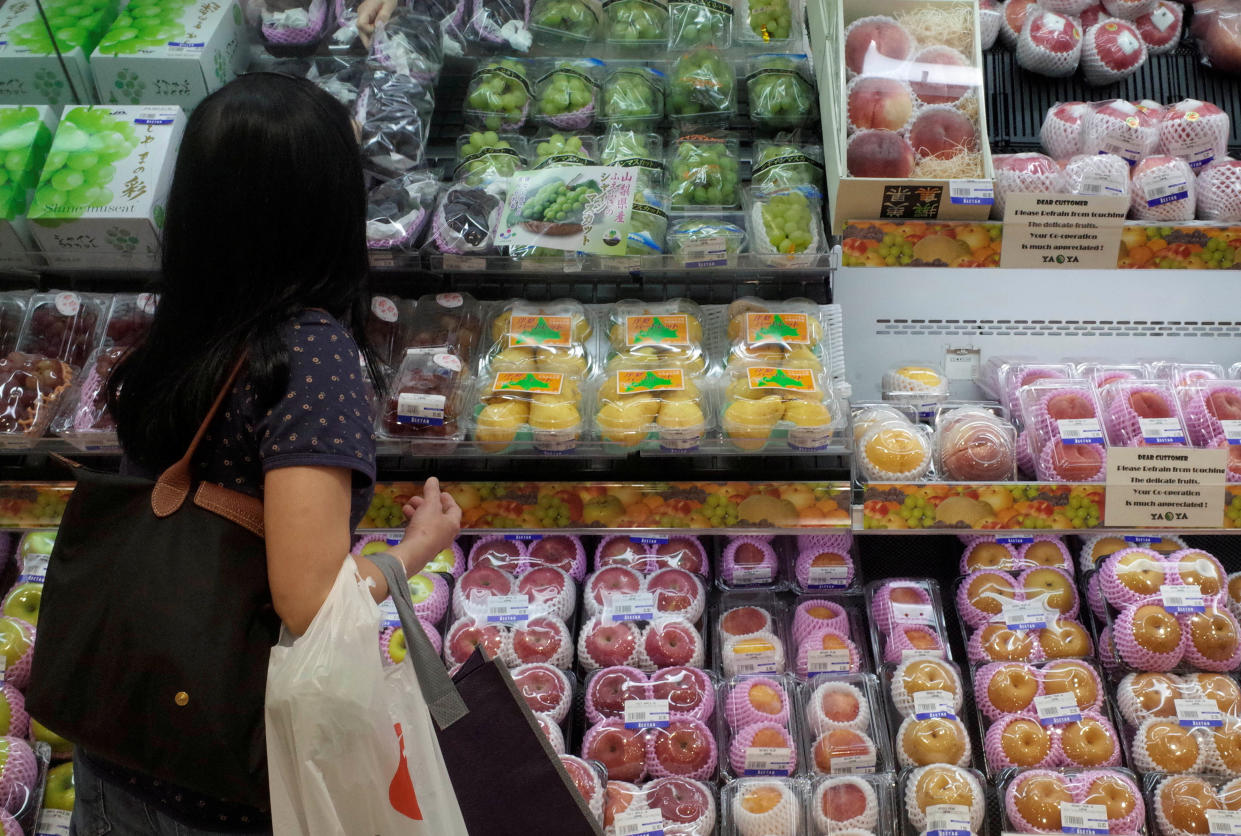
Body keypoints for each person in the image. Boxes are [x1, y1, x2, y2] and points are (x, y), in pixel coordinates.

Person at [71, 73, 461, 835]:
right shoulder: (310, 355)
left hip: (123, 733)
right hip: (220, 768)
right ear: (325, 205)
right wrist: (412, 551)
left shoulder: (179, 323)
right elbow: (309, 604)